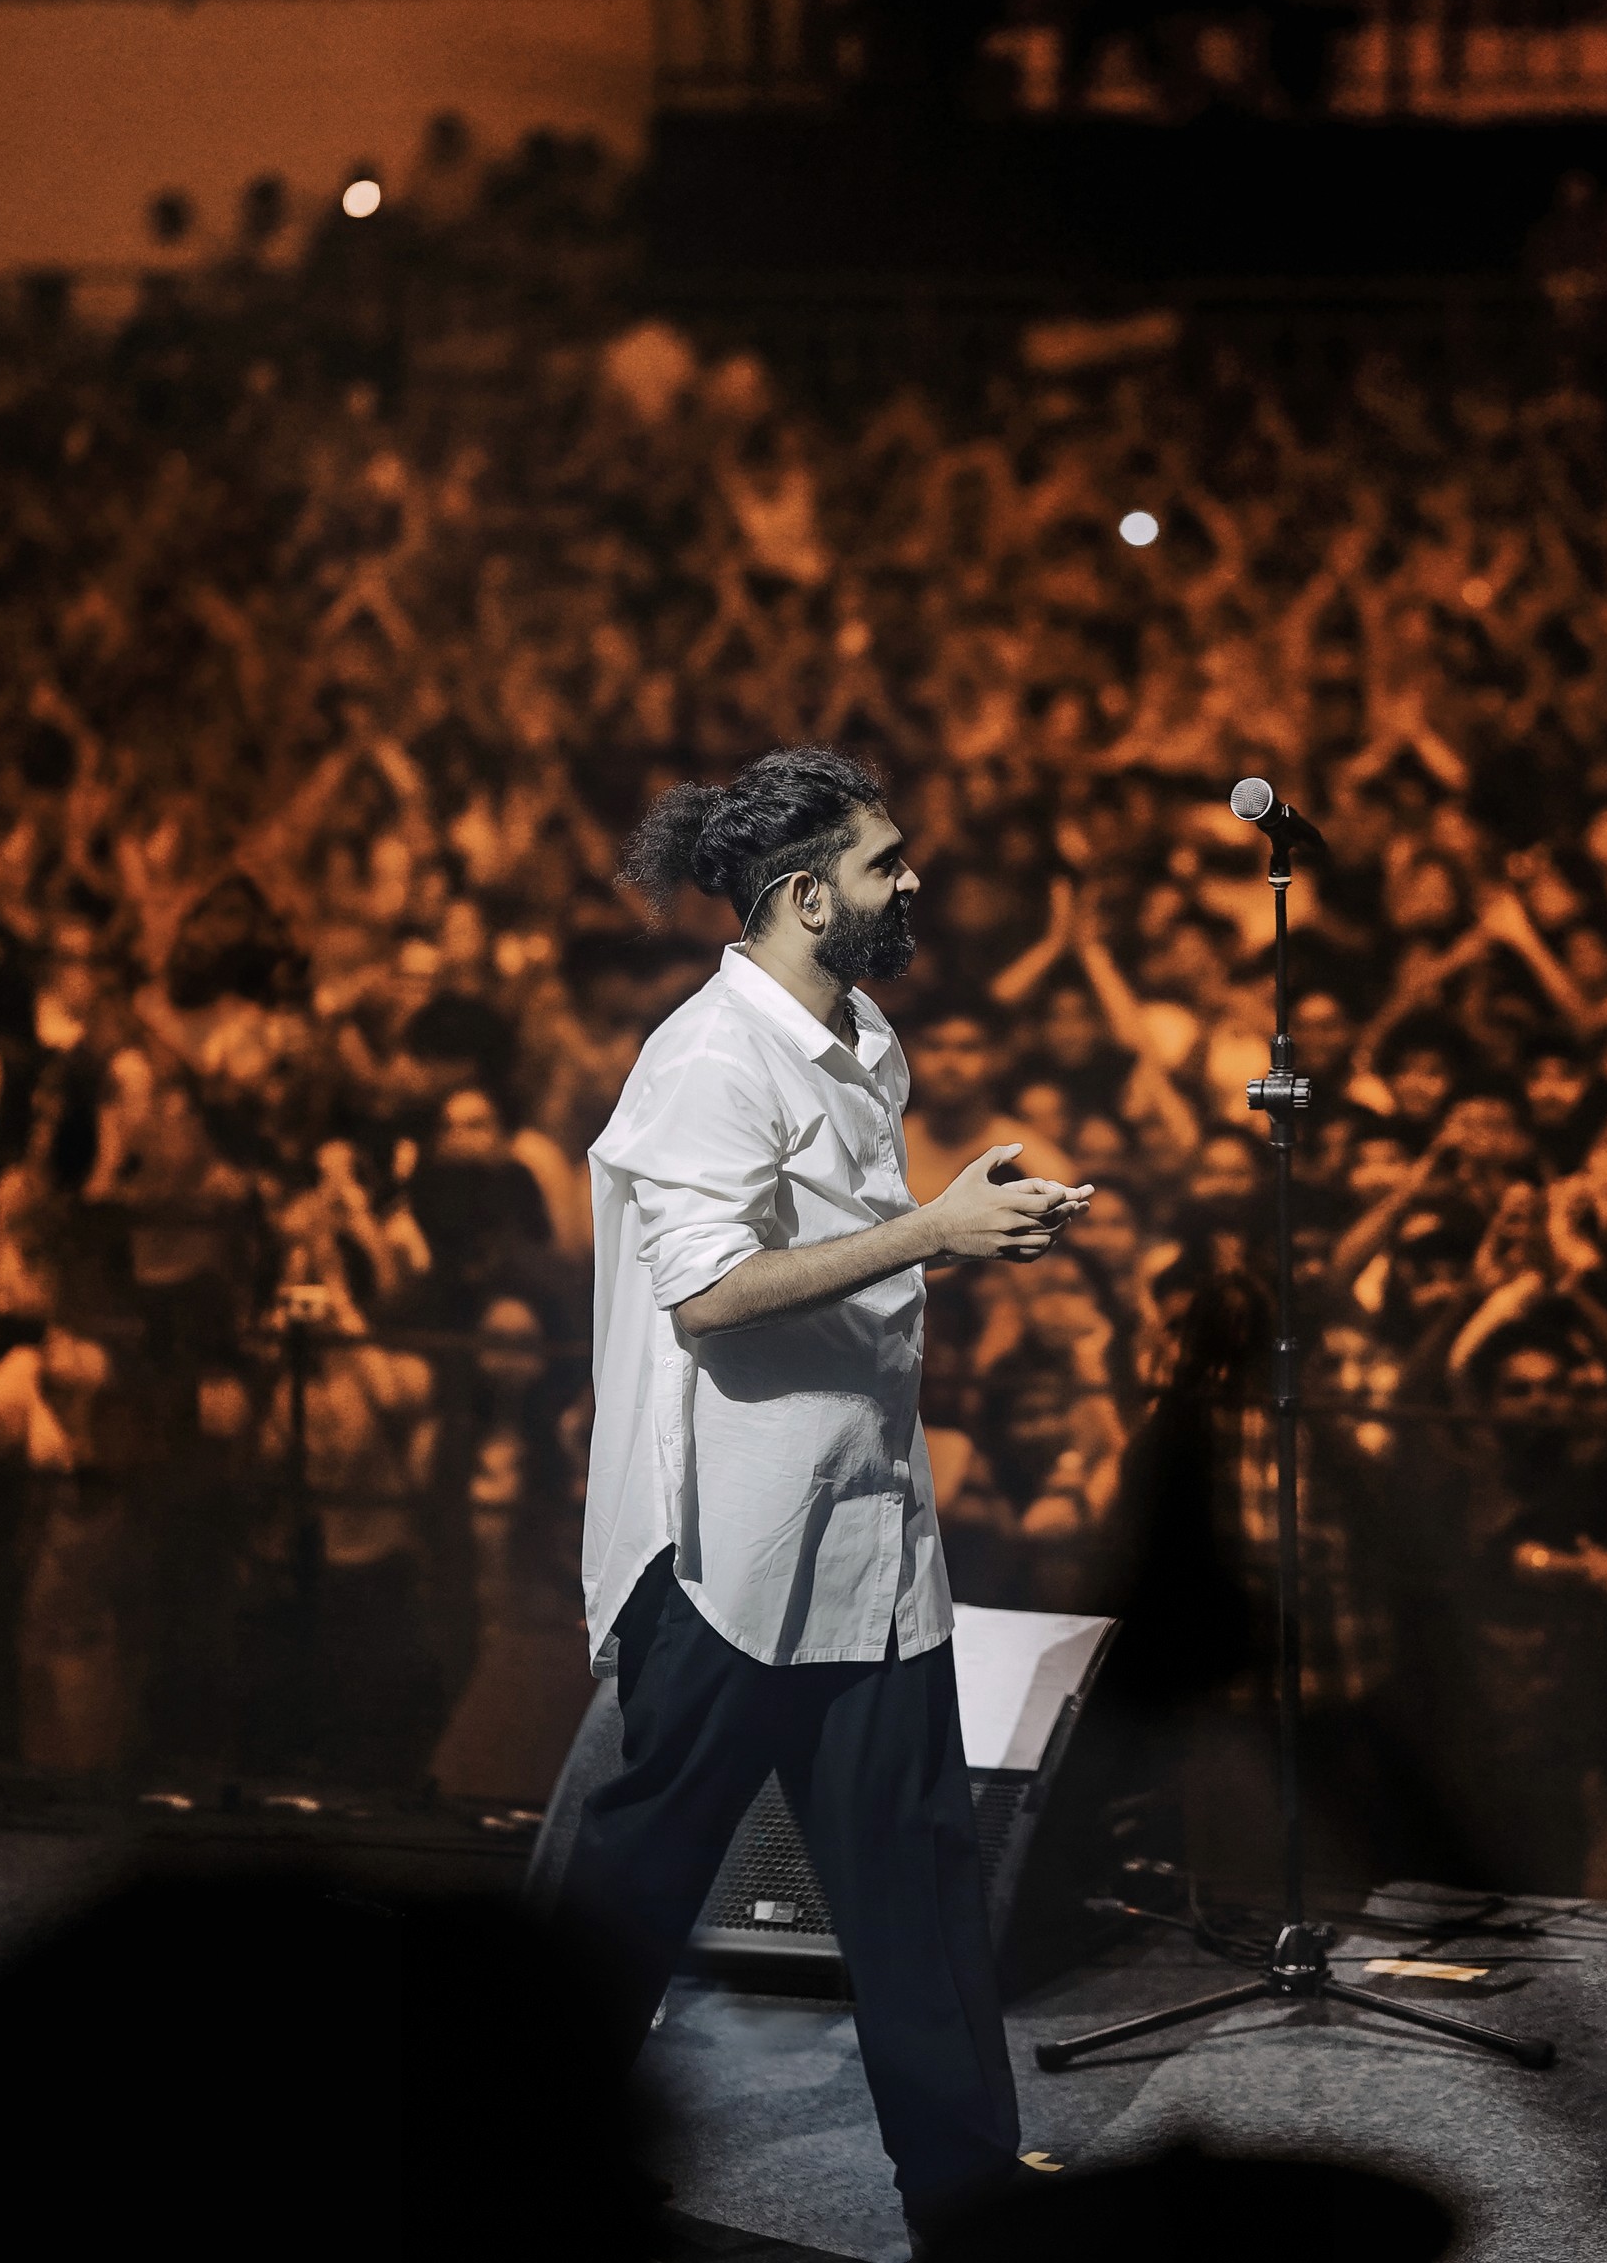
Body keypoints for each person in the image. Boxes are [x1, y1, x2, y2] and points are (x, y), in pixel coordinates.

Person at [559, 746, 1089, 2242]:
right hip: (728, 1557)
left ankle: (968, 2201)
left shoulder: (860, 1031)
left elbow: (860, 1253)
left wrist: (959, 1219)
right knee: (634, 1897)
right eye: (883, 862)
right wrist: (936, 1228)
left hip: (865, 1540)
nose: (911, 880)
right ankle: (515, 2147)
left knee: (920, 1894)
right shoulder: (709, 1062)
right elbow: (713, 1296)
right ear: (805, 895)